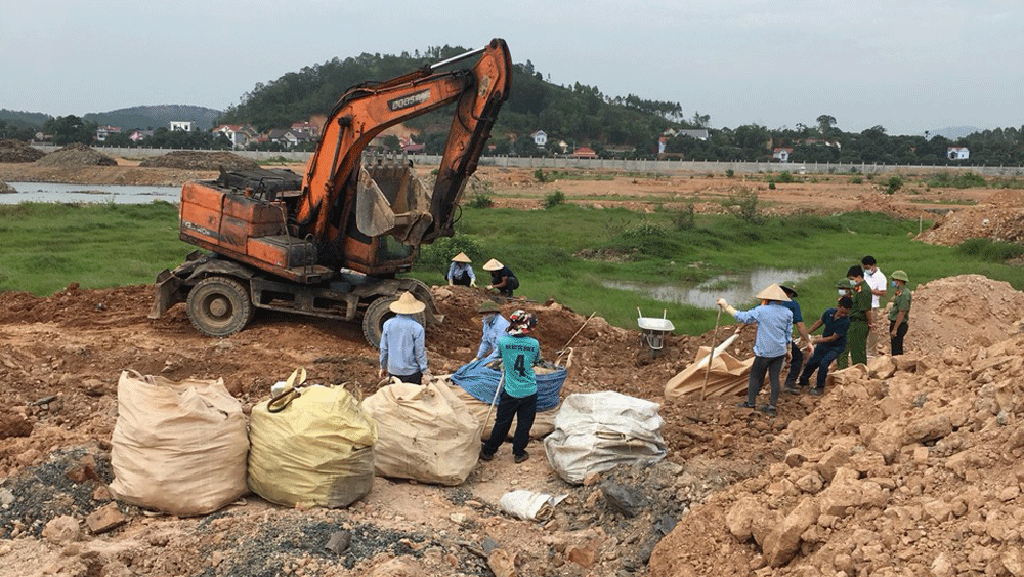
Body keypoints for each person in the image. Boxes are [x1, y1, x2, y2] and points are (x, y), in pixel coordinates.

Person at [717, 284, 793, 417]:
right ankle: (772, 407)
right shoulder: (788, 313)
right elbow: (788, 334)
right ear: (781, 299)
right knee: (774, 378)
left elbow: (743, 317)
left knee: (755, 376)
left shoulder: (761, 311)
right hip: (779, 352)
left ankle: (751, 403)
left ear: (767, 298)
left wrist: (726, 306)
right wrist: (789, 350)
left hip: (764, 352)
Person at [479, 310, 540, 464]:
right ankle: (519, 453)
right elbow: (536, 360)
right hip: (529, 391)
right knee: (524, 424)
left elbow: (498, 356)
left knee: (502, 422)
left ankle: (489, 451)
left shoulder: (504, 342)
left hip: (511, 390)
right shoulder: (534, 344)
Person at [797, 297, 853, 395]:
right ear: (838, 307)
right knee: (813, 361)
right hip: (824, 344)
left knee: (824, 363)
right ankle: (803, 382)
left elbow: (833, 338)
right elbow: (819, 323)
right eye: (842, 311)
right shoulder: (829, 313)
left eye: (846, 312)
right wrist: (806, 334)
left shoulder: (845, 322)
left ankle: (820, 387)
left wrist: (815, 341)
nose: (844, 314)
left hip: (836, 347)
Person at [378, 292, 428, 384]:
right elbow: (419, 352)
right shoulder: (417, 328)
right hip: (412, 373)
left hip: (393, 372)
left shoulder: (388, 324)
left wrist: (383, 367)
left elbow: (384, 348)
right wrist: (424, 371)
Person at [779, 284, 814, 395]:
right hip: (783, 338)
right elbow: (799, 325)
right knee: (797, 357)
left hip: (766, 338)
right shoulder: (792, 304)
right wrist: (808, 341)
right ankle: (789, 384)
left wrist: (739, 329)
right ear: (789, 294)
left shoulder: (767, 302)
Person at [846, 265, 874, 366]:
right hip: (854, 322)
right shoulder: (858, 288)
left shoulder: (864, 290)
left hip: (859, 323)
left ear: (859, 277)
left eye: (852, 279)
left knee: (858, 351)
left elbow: (866, 310)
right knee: (854, 349)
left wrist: (870, 323)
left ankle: (860, 371)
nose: (851, 281)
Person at [861, 256, 887, 356]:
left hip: (873, 306)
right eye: (865, 268)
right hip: (863, 305)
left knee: (872, 328)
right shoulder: (864, 275)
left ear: (873, 265)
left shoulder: (881, 277)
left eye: (868, 268)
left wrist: (870, 291)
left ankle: (871, 351)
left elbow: (883, 292)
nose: (866, 270)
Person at [888, 270, 912, 356]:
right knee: (895, 348)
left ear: (900, 280)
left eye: (894, 280)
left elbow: (901, 312)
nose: (893, 282)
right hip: (896, 323)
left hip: (899, 324)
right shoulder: (899, 292)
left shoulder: (904, 294)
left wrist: (895, 329)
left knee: (897, 350)